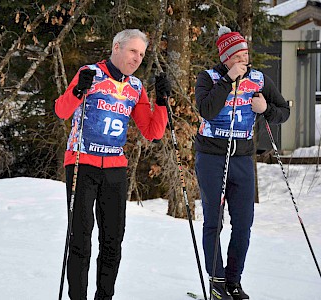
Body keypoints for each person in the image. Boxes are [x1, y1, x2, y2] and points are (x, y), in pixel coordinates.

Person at [55, 29, 171, 300]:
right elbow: (61, 110)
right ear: (116, 47)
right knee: (81, 238)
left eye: (141, 54)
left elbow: (152, 132)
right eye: (133, 51)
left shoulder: (135, 87)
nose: (137, 58)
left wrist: (162, 103)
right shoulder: (90, 73)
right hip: (82, 162)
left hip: (115, 169)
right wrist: (79, 90)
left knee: (112, 240)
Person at [194, 26, 290, 300]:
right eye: (238, 55)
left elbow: (283, 111)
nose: (244, 60)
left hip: (242, 159)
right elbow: (207, 111)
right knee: (214, 221)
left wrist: (266, 109)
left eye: (246, 54)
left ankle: (234, 281)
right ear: (226, 58)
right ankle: (217, 281)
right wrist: (227, 81)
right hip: (212, 157)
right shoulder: (209, 78)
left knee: (243, 222)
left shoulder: (259, 79)